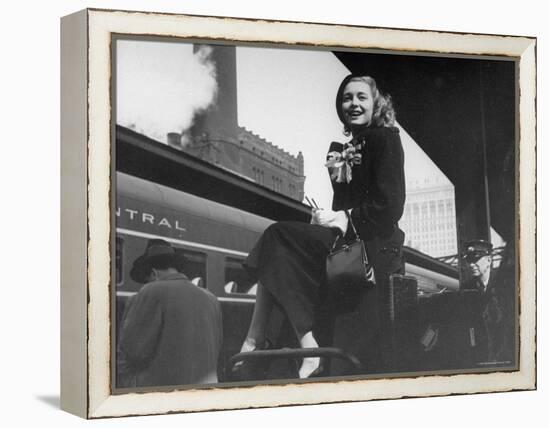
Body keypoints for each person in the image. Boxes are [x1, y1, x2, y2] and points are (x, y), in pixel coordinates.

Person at [237, 74, 406, 379]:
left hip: (373, 246)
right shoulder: (345, 149)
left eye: (361, 97)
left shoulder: (385, 138)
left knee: (277, 236)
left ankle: (257, 339)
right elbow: (343, 205)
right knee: (277, 249)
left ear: (375, 103)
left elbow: (391, 205)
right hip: (349, 243)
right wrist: (325, 218)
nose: (353, 103)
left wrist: (343, 218)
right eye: (346, 98)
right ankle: (281, 341)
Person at [117, 239, 223, 387]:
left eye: (146, 280)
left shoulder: (151, 291)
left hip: (161, 392)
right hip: (207, 388)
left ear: (153, 274)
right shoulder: (211, 298)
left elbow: (132, 352)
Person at [461, 239, 507, 364]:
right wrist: (472, 345)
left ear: (489, 260)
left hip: (504, 355)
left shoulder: (502, 284)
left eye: (475, 259)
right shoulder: (467, 288)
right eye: (468, 260)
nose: (471, 264)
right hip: (480, 355)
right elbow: (469, 324)